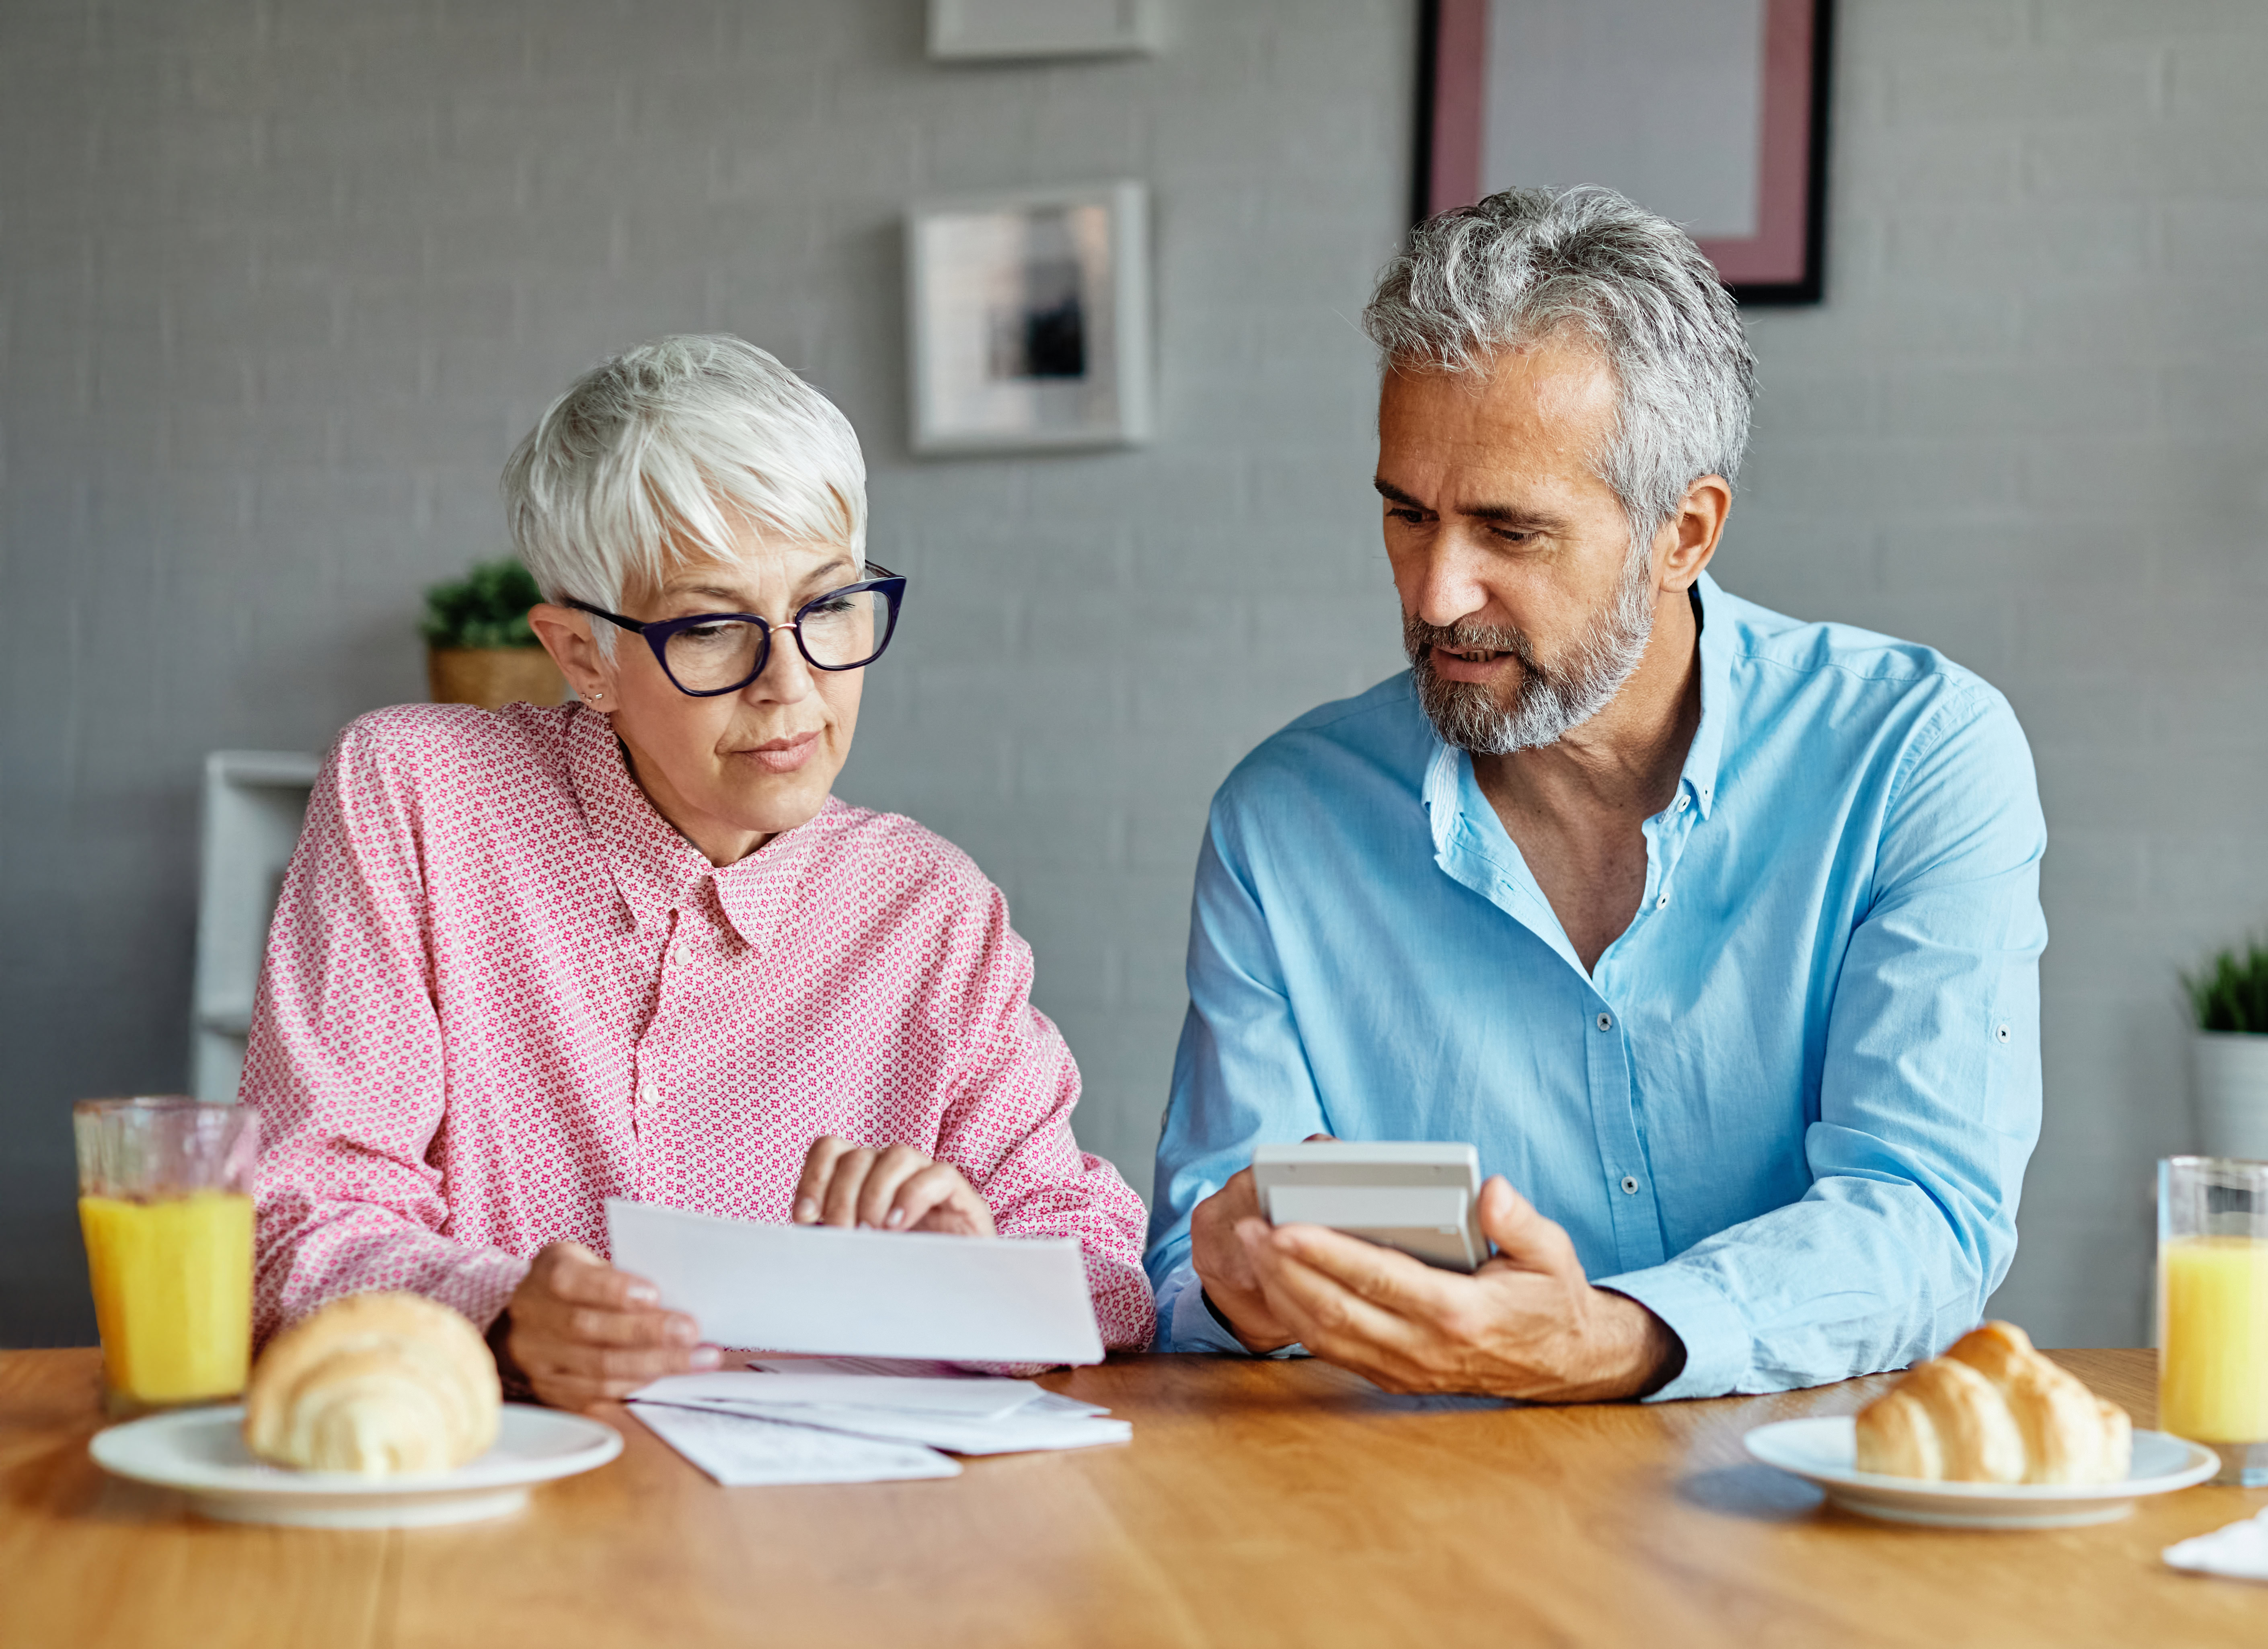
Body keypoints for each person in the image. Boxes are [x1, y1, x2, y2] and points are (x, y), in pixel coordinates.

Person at [1145, 187, 2047, 1402]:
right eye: (1407, 515)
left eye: (1511, 533)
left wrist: (1607, 1339)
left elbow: (1926, 1216)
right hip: (1413, 1493)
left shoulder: (1915, 757)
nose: (1436, 595)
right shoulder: (1282, 822)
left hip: (1805, 1493)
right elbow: (1194, 1273)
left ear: (1686, 533)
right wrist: (1239, 1290)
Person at [245, 335, 1152, 1410]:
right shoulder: (417, 795)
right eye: (714, 628)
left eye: (829, 607)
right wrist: (501, 1313)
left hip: (835, 1504)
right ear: (583, 656)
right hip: (503, 1487)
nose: (790, 685)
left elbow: (1107, 1273)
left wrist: (978, 1275)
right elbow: (294, 1222)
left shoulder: (932, 910)